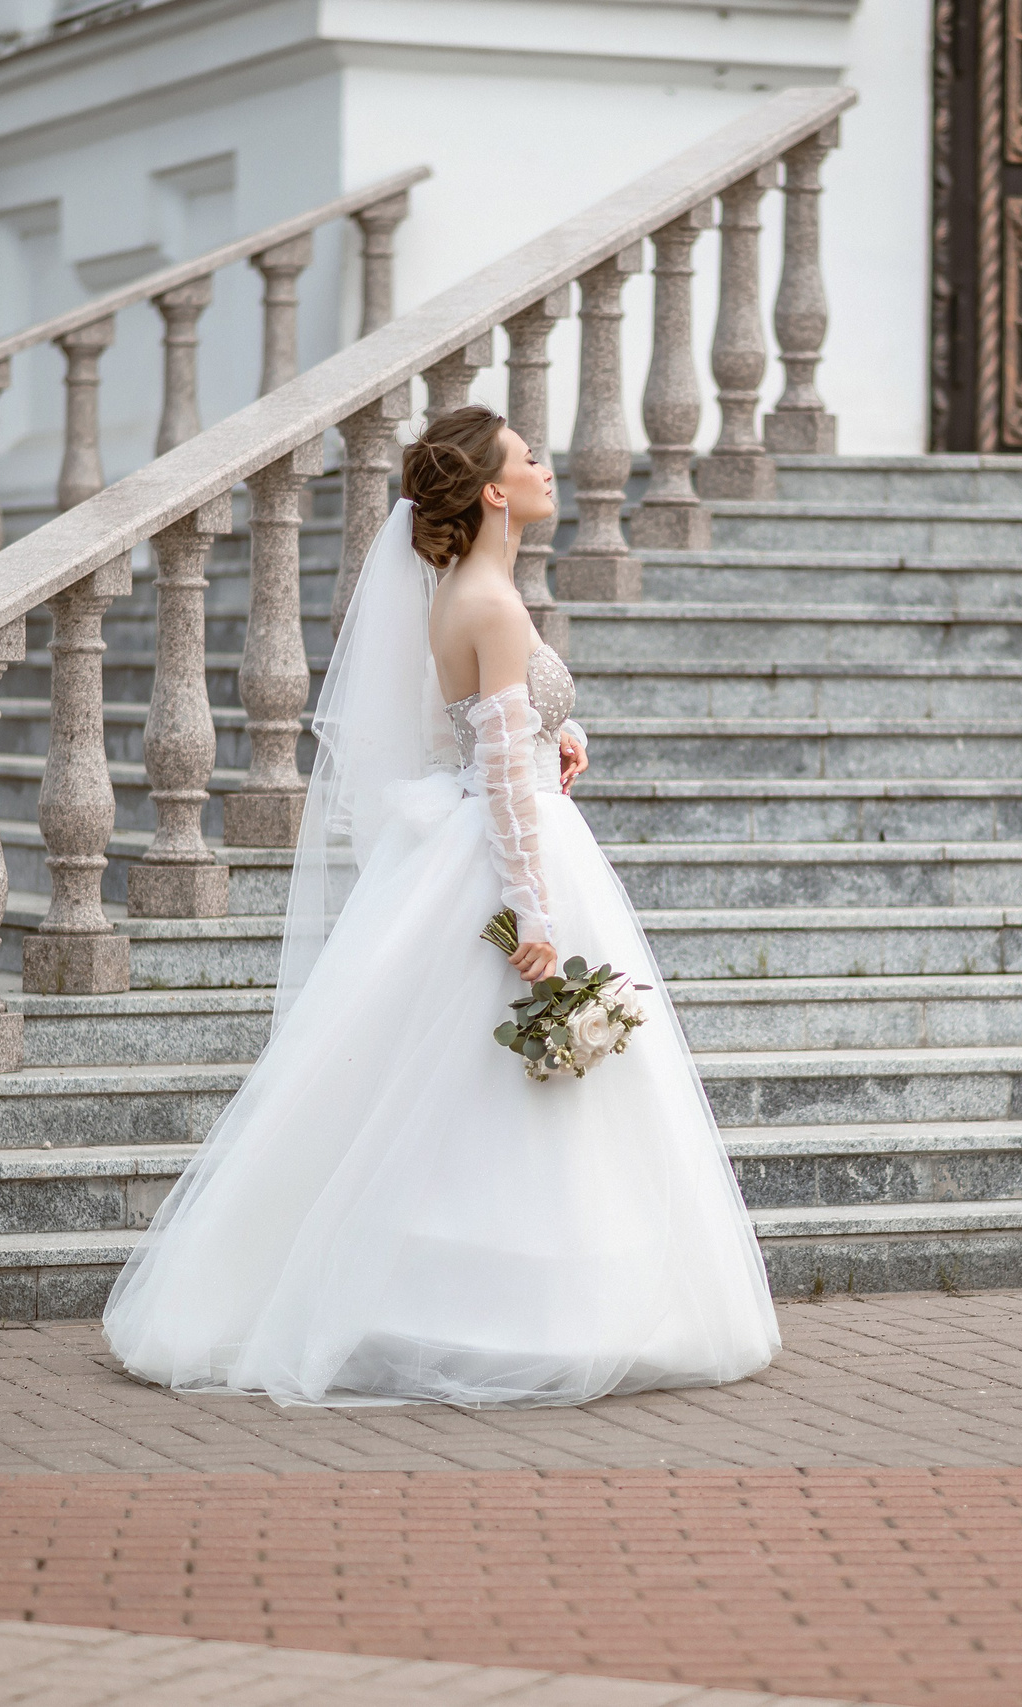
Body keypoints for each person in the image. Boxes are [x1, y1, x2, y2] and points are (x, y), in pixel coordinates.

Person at [101, 405, 781, 1407]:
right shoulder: (492, 603)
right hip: (511, 862)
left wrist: (558, 732)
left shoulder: (472, 592)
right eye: (532, 459)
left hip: (489, 842)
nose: (552, 469)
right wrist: (532, 913)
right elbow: (499, 775)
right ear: (496, 491)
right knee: (496, 1089)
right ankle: (509, 1314)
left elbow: (475, 733)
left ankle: (460, 1296)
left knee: (463, 1089)